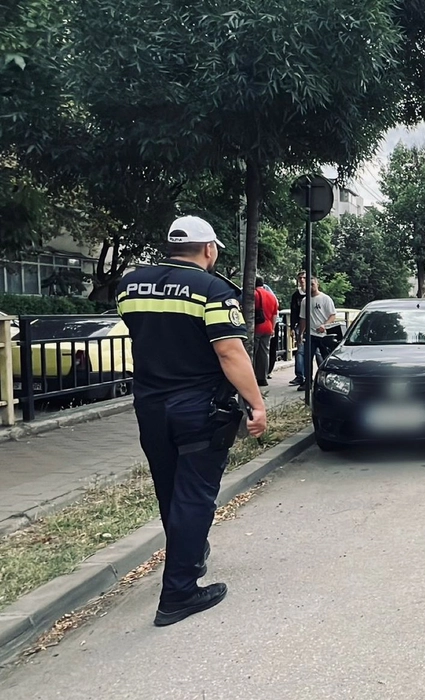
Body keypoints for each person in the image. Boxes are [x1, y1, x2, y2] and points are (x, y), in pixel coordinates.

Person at [116, 215, 267, 626]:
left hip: (150, 407)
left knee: (170, 491)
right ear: (209, 249)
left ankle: (190, 553)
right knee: (195, 496)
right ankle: (179, 593)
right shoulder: (212, 290)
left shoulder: (130, 286)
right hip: (198, 408)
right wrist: (256, 404)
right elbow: (229, 352)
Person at [297, 276, 336, 391]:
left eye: (312, 284)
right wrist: (301, 333)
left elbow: (332, 315)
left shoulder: (325, 299)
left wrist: (325, 325)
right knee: (307, 358)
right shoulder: (305, 301)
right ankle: (308, 381)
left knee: (325, 359)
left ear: (317, 284)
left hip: (324, 335)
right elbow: (303, 318)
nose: (311, 287)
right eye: (308, 285)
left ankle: (327, 382)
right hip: (311, 334)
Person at [252, 275, 278, 387]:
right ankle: (262, 378)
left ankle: (251, 376)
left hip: (256, 326)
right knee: (264, 353)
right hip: (268, 327)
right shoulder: (272, 297)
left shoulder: (254, 294)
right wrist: (272, 328)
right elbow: (275, 314)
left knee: (252, 351)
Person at [289, 272, 307, 386]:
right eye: (300, 278)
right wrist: (292, 327)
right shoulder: (296, 295)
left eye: (304, 278)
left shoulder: (312, 293)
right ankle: (300, 376)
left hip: (313, 325)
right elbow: (293, 311)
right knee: (300, 351)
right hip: (300, 325)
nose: (302, 280)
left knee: (317, 352)